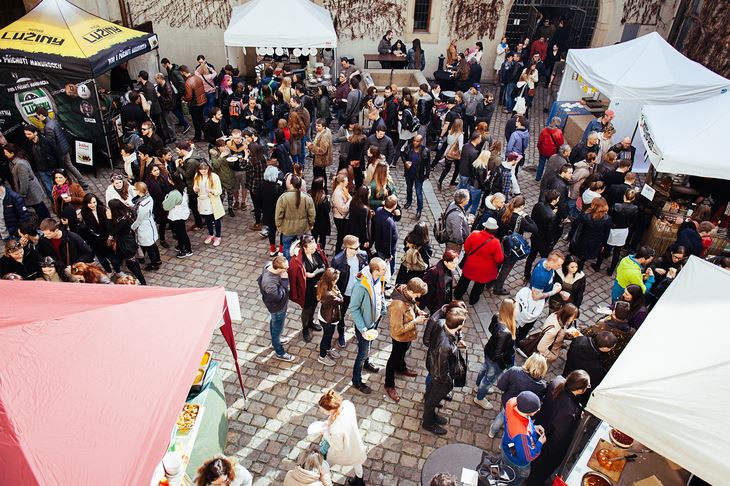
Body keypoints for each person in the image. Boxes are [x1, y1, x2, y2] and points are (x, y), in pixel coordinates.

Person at [525, 371, 591, 486]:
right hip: (548, 443)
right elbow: (559, 438)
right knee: (538, 470)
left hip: (540, 426)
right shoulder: (569, 411)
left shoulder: (558, 380)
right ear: (580, 389)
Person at [422, 304, 467, 435]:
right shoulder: (445, 346)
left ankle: (431, 415)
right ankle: (428, 423)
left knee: (430, 397)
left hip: (433, 367)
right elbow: (441, 371)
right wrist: (448, 383)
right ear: (459, 325)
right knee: (432, 401)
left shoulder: (442, 322)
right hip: (438, 377)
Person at [384, 277, 428, 402]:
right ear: (411, 291)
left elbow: (412, 304)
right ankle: (389, 384)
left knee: (403, 352)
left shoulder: (406, 292)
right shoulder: (398, 305)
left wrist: (419, 312)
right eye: (418, 294)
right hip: (400, 337)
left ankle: (401, 368)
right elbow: (397, 329)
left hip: (407, 336)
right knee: (394, 359)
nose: (419, 296)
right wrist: (415, 321)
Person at [488, 353, 548, 440]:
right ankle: (504, 441)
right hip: (523, 410)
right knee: (511, 427)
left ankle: (492, 432)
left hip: (508, 403)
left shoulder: (514, 371)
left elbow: (501, 385)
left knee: (502, 417)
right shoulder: (542, 386)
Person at [350, 258, 387, 394]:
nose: (386, 271)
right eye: (383, 269)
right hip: (364, 326)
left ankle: (367, 362)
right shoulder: (361, 286)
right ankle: (356, 380)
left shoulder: (379, 279)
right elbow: (354, 308)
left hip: (373, 321)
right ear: (375, 270)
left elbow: (380, 293)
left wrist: (383, 308)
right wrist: (363, 329)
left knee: (369, 345)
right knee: (362, 352)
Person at [316, 390, 367, 486]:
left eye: (323, 411)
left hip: (345, 449)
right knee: (357, 461)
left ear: (331, 410)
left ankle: (325, 481)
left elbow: (338, 447)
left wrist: (325, 433)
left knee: (325, 462)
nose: (322, 412)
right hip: (355, 441)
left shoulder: (336, 429)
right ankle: (359, 481)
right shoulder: (347, 405)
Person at [474, 298, 517, 409]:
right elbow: (498, 354)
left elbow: (490, 328)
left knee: (484, 368)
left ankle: (477, 386)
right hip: (495, 360)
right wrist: (504, 365)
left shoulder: (497, 316)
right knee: (488, 380)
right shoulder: (505, 332)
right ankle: (479, 398)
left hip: (489, 350)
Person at [492, 196, 539, 295]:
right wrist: (526, 216)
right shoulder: (519, 219)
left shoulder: (502, 212)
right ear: (521, 206)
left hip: (499, 244)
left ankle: (489, 282)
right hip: (511, 247)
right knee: (506, 268)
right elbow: (535, 228)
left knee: (496, 264)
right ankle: (498, 288)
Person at [33, 107, 89, 189]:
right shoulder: (54, 122)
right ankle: (83, 183)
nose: (37, 117)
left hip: (60, 152)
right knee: (70, 166)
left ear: (41, 115)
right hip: (65, 148)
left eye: (37, 115)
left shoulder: (48, 127)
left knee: (62, 171)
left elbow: (51, 143)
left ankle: (70, 188)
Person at [453, 217, 504, 305]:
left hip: (471, 264)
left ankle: (457, 295)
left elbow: (466, 248)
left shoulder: (474, 234)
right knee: (479, 286)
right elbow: (499, 259)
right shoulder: (496, 242)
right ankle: (473, 300)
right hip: (484, 270)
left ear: (485, 227)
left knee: (464, 280)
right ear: (494, 230)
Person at [330, 235, 369, 349]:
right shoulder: (337, 260)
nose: (358, 250)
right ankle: (341, 333)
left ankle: (358, 332)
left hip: (358, 291)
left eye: (358, 247)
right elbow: (333, 280)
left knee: (360, 313)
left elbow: (364, 270)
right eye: (355, 248)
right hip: (344, 293)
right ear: (347, 247)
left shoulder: (363, 255)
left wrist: (359, 278)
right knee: (341, 314)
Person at [289, 235, 328, 343]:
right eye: (311, 248)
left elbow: (323, 266)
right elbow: (294, 276)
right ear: (304, 248)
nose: (314, 249)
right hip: (305, 289)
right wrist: (305, 275)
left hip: (316, 286)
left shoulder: (316, 252)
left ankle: (311, 323)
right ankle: (305, 328)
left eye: (314, 247)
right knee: (306, 309)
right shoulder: (298, 259)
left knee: (314, 305)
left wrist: (313, 273)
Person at [501, 390, 546, 483]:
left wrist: (532, 427)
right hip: (517, 462)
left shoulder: (511, 402)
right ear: (530, 412)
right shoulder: (521, 434)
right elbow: (528, 456)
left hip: (509, 444)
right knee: (518, 477)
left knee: (508, 463)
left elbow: (521, 421)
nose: (538, 410)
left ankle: (505, 468)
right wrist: (539, 444)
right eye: (536, 410)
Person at [258, 255, 295, 362]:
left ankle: (276, 339)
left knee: (274, 324)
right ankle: (279, 351)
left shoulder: (269, 264)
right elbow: (278, 297)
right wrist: (284, 280)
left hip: (277, 306)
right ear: (278, 269)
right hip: (277, 307)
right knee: (277, 327)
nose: (287, 270)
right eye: (285, 269)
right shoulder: (269, 283)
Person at [563, 331, 616, 405]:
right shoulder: (596, 366)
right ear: (604, 348)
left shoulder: (579, 340)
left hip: (568, 370)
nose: (613, 348)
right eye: (612, 347)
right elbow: (592, 383)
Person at [4, 144, 50, 221]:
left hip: (31, 191)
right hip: (32, 190)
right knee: (40, 206)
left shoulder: (20, 164)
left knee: (39, 208)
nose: (5, 154)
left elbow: (24, 181)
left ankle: (46, 222)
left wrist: (22, 195)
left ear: (12, 153)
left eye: (6, 152)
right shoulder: (14, 162)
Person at [103, 202, 146, 284]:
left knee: (131, 265)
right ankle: (140, 279)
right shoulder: (126, 214)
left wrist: (108, 219)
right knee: (134, 262)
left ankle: (143, 283)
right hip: (129, 240)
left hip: (125, 244)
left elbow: (111, 231)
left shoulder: (121, 221)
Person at [523, 190, 561, 282]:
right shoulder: (552, 216)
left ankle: (527, 275)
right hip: (544, 241)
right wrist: (550, 244)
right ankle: (540, 277)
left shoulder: (538, 205)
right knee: (546, 260)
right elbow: (550, 232)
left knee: (531, 256)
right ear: (554, 200)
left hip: (535, 235)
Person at [275, 176, 315, 260]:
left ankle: (289, 266)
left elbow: (278, 214)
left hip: (287, 228)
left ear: (290, 184)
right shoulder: (307, 197)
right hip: (302, 228)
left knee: (286, 248)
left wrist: (278, 225)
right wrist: (311, 224)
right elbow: (312, 214)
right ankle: (300, 264)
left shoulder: (283, 198)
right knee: (303, 248)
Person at [315, 267, 344, 366]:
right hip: (328, 318)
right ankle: (322, 356)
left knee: (329, 335)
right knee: (326, 337)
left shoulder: (323, 284)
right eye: (336, 279)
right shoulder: (330, 294)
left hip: (326, 315)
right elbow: (341, 300)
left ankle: (328, 349)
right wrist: (337, 290)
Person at [571, 197, 611, 269]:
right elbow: (606, 233)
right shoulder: (607, 219)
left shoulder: (585, 215)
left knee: (581, 258)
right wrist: (603, 245)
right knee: (585, 257)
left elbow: (575, 223)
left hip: (583, 239)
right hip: (596, 241)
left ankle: (579, 269)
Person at [131, 182, 161, 271]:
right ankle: (158, 260)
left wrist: (132, 227)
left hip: (144, 226)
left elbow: (139, 220)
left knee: (149, 246)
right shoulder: (149, 197)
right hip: (149, 223)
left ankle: (154, 264)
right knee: (153, 244)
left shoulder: (142, 206)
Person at [193, 162, 224, 247]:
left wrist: (211, 191)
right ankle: (211, 234)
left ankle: (218, 236)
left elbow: (219, 191)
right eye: (201, 170)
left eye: (205, 170)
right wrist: (195, 189)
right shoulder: (197, 176)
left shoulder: (214, 177)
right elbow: (195, 187)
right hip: (203, 200)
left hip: (213, 201)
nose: (203, 171)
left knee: (216, 219)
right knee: (207, 219)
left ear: (208, 169)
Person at [180, 65, 207, 142]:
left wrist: (183, 98)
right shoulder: (197, 77)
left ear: (183, 72)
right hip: (202, 101)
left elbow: (189, 97)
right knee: (201, 119)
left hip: (195, 104)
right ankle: (206, 134)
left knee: (196, 121)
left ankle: (197, 136)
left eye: (181, 73)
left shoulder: (188, 82)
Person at [437, 118, 464, 189]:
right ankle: (452, 181)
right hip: (455, 153)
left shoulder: (450, 132)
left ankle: (440, 180)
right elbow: (460, 148)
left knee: (447, 168)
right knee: (457, 168)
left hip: (448, 151)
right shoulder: (460, 135)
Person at [536, 117, 564, 181]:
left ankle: (538, 177)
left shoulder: (544, 130)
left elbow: (540, 141)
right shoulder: (558, 132)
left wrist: (539, 148)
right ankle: (546, 179)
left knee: (541, 164)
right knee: (549, 166)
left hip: (543, 151)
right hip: (552, 152)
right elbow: (561, 144)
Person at [443, 189, 470, 253]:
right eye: (468, 199)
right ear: (463, 201)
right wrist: (460, 242)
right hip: (453, 243)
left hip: (450, 236)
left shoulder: (453, 204)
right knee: (451, 259)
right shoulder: (457, 216)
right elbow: (457, 232)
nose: (468, 200)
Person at [331, 174, 351, 254]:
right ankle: (338, 252)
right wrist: (350, 200)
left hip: (342, 217)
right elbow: (343, 209)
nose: (348, 182)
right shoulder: (337, 194)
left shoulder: (342, 189)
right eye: (346, 181)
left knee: (341, 236)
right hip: (340, 218)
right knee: (340, 237)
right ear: (341, 182)